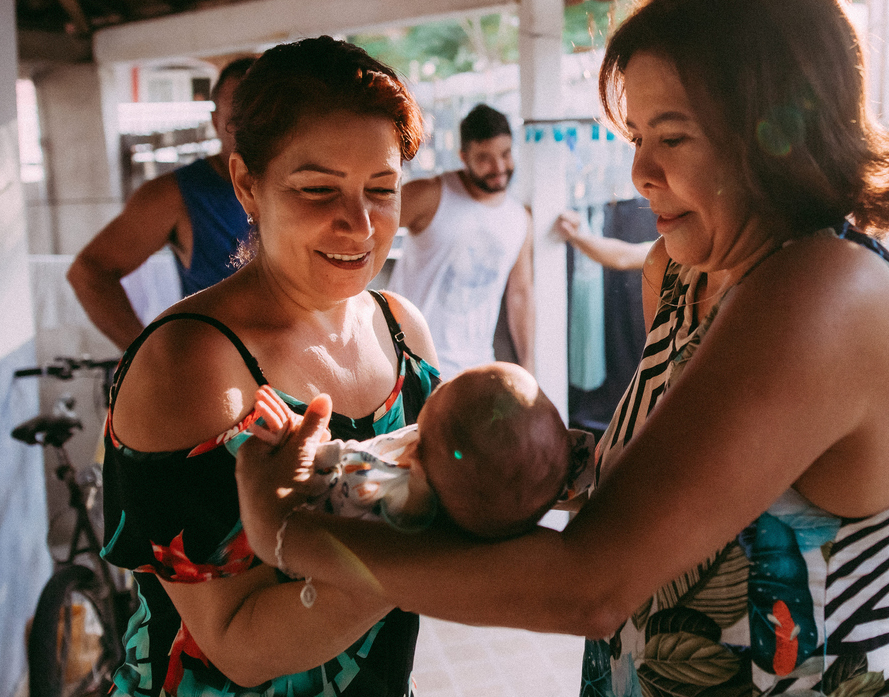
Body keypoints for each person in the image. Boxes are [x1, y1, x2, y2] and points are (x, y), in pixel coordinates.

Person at [237, 0, 889, 697]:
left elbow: (592, 583)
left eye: (672, 137)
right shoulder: (683, 276)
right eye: (636, 136)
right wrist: (459, 462)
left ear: (773, 133)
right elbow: (662, 491)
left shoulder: (825, 291)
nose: (640, 173)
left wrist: (290, 533)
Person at [99, 36, 438, 695]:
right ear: (247, 185)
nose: (360, 224)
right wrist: (431, 548)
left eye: (382, 189)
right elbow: (238, 648)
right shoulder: (191, 362)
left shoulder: (402, 329)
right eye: (318, 189)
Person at [251, 362, 593, 537]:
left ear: (416, 460)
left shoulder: (407, 501)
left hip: (308, 517)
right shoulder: (449, 454)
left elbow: (341, 489)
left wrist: (308, 449)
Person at [67, 56, 256, 350]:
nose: (251, 130)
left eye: (262, 117)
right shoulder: (176, 194)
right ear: (215, 121)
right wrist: (146, 354)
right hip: (216, 365)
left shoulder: (303, 187)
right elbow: (89, 272)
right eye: (237, 119)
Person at [387, 103, 534, 374]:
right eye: (485, 158)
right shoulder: (429, 194)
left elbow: (520, 295)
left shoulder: (519, 218)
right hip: (410, 362)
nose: (499, 167)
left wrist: (528, 365)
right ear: (463, 157)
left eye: (505, 154)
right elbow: (367, 231)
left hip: (476, 367)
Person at [555, 209, 653, 271]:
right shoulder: (661, 249)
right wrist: (575, 235)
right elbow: (623, 256)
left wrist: (575, 235)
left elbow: (624, 257)